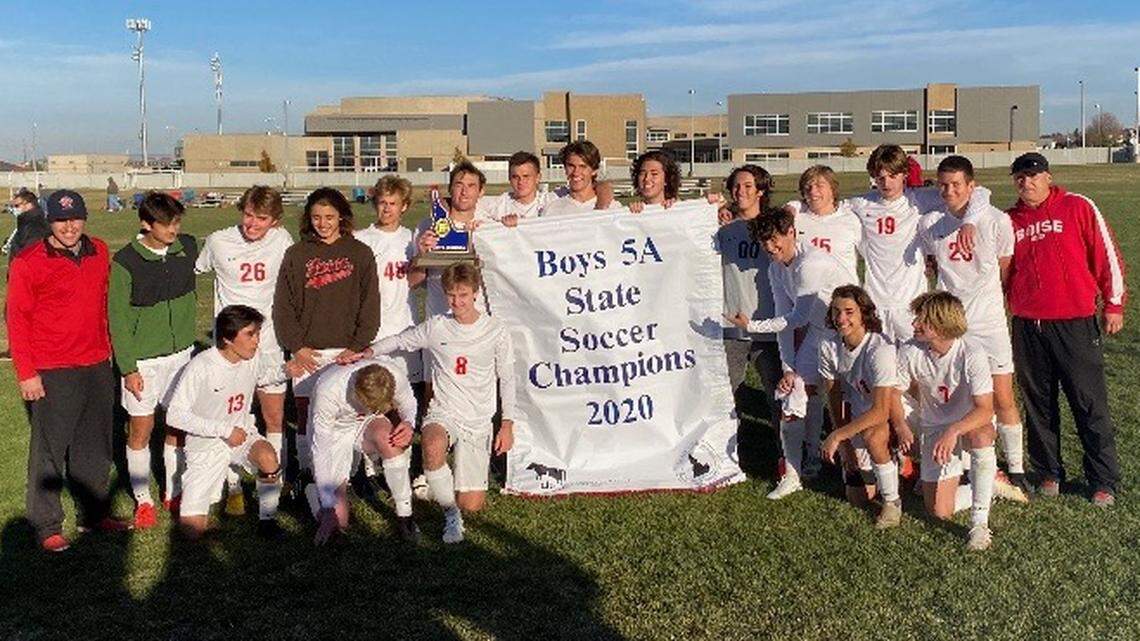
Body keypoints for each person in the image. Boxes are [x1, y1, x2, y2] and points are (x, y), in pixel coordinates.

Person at [987, 152, 1125, 506]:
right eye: (1020, 177)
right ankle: (1049, 471)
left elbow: (1106, 255)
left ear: (1048, 177)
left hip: (1074, 322)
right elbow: (999, 269)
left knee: (1088, 402)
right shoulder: (1009, 220)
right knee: (1038, 403)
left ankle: (1102, 479)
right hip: (1028, 325)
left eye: (1033, 176)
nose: (1026, 182)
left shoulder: (1077, 206)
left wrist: (1113, 304)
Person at [7, 190, 130, 552]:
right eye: (61, 220)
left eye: (75, 218)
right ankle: (46, 525)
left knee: (95, 447)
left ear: (84, 218)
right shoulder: (29, 261)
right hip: (52, 368)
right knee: (49, 450)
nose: (69, 226)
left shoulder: (100, 251)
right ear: (49, 221)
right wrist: (26, 372)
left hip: (96, 363)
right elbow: (16, 319)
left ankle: (93, 514)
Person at [367, 263, 517, 544]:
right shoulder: (437, 326)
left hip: (478, 418)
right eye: (451, 295)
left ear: (475, 293)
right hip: (443, 411)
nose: (457, 302)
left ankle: (442, 484)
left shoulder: (495, 330)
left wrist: (507, 423)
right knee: (432, 442)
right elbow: (400, 340)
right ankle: (451, 515)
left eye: (463, 295)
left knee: (471, 503)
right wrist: (368, 351)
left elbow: (507, 378)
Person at [787, 145, 992, 343]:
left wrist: (969, 222)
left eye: (893, 176)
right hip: (875, 304)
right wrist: (793, 206)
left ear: (904, 174)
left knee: (914, 367)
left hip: (911, 304)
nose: (887, 183)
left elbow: (981, 193)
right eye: (880, 177)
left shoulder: (920, 199)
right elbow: (825, 204)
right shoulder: (862, 203)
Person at [918, 155, 1028, 501]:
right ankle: (978, 468)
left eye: (956, 185)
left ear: (971, 186)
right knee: (961, 395)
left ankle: (1016, 469)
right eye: (943, 185)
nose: (949, 191)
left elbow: (1005, 268)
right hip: (952, 326)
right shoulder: (932, 223)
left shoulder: (996, 221)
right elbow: (931, 266)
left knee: (1002, 396)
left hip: (989, 322)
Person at [727, 209, 854, 499]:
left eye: (775, 241)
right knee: (794, 391)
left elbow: (797, 318)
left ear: (792, 233)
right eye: (765, 243)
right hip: (819, 333)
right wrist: (788, 367)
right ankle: (797, 470)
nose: (771, 249)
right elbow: (785, 318)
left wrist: (751, 325)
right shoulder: (775, 268)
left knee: (851, 399)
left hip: (849, 336)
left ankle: (860, 463)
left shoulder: (811, 262)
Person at [273, 187, 381, 501]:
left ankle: (352, 473)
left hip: (348, 352)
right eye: (317, 217)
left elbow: (369, 305)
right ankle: (308, 473)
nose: (323, 223)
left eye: (330, 217)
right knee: (307, 415)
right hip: (310, 351)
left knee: (349, 415)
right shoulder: (297, 254)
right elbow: (284, 306)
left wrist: (357, 345)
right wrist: (297, 346)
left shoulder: (359, 253)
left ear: (342, 217)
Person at [195, 186, 293, 515]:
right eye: (248, 215)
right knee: (228, 415)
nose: (251, 223)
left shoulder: (282, 241)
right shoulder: (219, 240)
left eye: (261, 218)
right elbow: (192, 270)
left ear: (275, 222)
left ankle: (274, 481)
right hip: (229, 347)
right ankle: (232, 483)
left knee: (274, 417)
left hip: (268, 344)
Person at [109, 191, 198, 528]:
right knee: (141, 430)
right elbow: (117, 318)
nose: (173, 229)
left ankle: (173, 491)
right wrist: (129, 368)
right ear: (146, 224)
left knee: (177, 426)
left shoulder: (187, 247)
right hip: (144, 362)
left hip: (182, 357)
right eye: (165, 224)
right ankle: (143, 499)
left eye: (176, 222)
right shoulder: (125, 261)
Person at [167, 305, 283, 540]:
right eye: (250, 334)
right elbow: (175, 415)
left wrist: (286, 372)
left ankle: (268, 521)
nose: (256, 341)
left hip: (242, 435)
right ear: (228, 339)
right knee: (192, 532)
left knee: (268, 457)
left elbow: (262, 377)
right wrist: (224, 430)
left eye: (258, 334)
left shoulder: (251, 357)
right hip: (206, 445)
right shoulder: (201, 367)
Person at [893, 291, 997, 550]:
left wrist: (953, 430)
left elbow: (985, 409)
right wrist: (901, 426)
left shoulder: (971, 352)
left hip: (967, 424)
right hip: (933, 427)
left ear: (940, 325)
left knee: (981, 435)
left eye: (921, 320)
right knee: (939, 511)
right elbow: (893, 394)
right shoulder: (910, 351)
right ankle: (989, 485)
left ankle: (979, 524)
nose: (914, 325)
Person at [355, 176, 425, 487]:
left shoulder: (412, 239)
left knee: (402, 397)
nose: (387, 208)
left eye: (393, 203)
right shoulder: (362, 239)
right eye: (382, 202)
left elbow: (415, 280)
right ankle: (370, 463)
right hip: (373, 327)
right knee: (371, 395)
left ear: (404, 206)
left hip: (403, 327)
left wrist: (421, 256)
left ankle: (401, 459)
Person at [818, 285, 904, 527]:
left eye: (849, 312)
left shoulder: (880, 349)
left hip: (890, 416)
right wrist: (845, 446)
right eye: (836, 312)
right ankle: (888, 466)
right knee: (857, 498)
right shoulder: (829, 346)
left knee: (873, 434)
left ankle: (892, 502)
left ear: (863, 313)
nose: (841, 319)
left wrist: (836, 436)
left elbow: (881, 411)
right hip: (857, 420)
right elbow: (834, 398)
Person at [309, 357, 420, 544]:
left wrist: (409, 423)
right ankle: (310, 489)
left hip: (366, 422)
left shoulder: (391, 374)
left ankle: (405, 516)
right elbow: (321, 451)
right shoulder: (328, 391)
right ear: (357, 393)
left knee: (389, 440)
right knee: (339, 520)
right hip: (336, 429)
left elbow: (409, 402)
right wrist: (328, 508)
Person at [717, 165, 782, 438]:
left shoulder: (774, 227)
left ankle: (786, 456)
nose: (740, 191)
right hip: (730, 324)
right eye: (736, 186)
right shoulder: (721, 227)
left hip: (767, 325)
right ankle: (725, 455)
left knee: (777, 396)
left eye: (747, 186)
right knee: (725, 397)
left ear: (760, 191)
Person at [783, 166, 862, 279]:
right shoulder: (795, 219)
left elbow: (870, 256)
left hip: (842, 294)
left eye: (819, 186)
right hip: (806, 294)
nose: (813, 191)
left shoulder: (851, 219)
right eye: (808, 187)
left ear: (833, 190)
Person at [540, 141, 622, 217]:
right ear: (565, 168)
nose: (576, 172)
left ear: (594, 170)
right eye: (571, 166)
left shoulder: (613, 209)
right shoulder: (551, 208)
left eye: (582, 166)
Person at [476, 151, 562, 225]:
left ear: (538, 177)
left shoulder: (551, 201)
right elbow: (469, 211)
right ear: (509, 178)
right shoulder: (499, 205)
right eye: (515, 177)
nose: (521, 182)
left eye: (526, 176)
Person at [6, 189, 50, 264]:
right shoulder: (25, 223)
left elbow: (29, 253)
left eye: (17, 206)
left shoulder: (35, 226)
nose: (14, 209)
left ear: (28, 204)